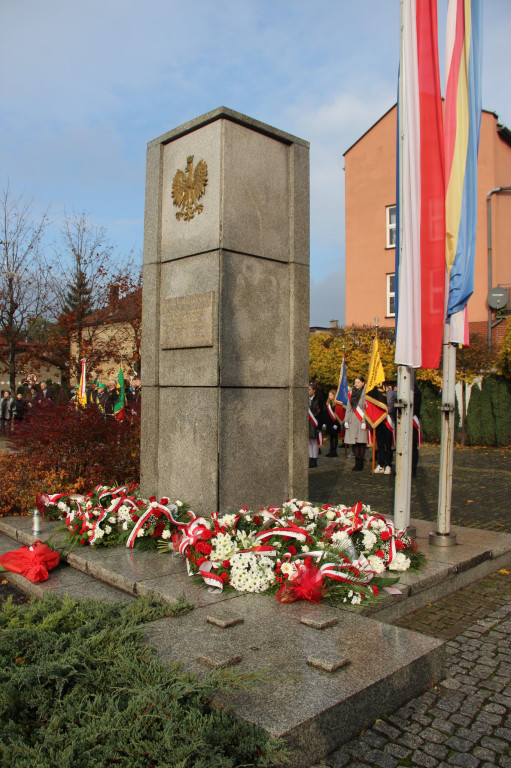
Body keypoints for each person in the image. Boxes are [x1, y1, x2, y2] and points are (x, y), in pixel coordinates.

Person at [344, 376, 368, 471]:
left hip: (361, 419)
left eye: (358, 382)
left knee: (361, 442)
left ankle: (361, 463)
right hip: (352, 420)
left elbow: (367, 408)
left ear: (363, 383)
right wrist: (346, 420)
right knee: (354, 443)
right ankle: (356, 462)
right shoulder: (351, 394)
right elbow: (348, 408)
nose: (356, 384)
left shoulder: (366, 393)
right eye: (355, 382)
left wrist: (364, 421)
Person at [324, 388, 344, 457]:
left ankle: (334, 451)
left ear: (334, 395)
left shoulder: (337, 404)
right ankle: (331, 450)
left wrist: (336, 424)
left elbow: (338, 414)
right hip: (329, 423)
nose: (330, 397)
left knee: (335, 437)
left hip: (335, 423)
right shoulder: (328, 404)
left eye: (331, 395)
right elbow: (326, 413)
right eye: (329, 395)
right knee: (331, 437)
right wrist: (325, 423)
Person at [308, 382, 322, 468]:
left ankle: (314, 459)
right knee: (309, 442)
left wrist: (320, 425)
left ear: (314, 391)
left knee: (314, 441)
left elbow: (321, 413)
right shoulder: (306, 399)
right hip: (308, 423)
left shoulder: (318, 400)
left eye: (309, 389)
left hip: (314, 423)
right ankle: (310, 458)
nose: (308, 391)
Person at [412, 384, 422, 477]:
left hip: (412, 420)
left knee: (413, 447)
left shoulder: (416, 392)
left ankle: (413, 469)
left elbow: (416, 407)